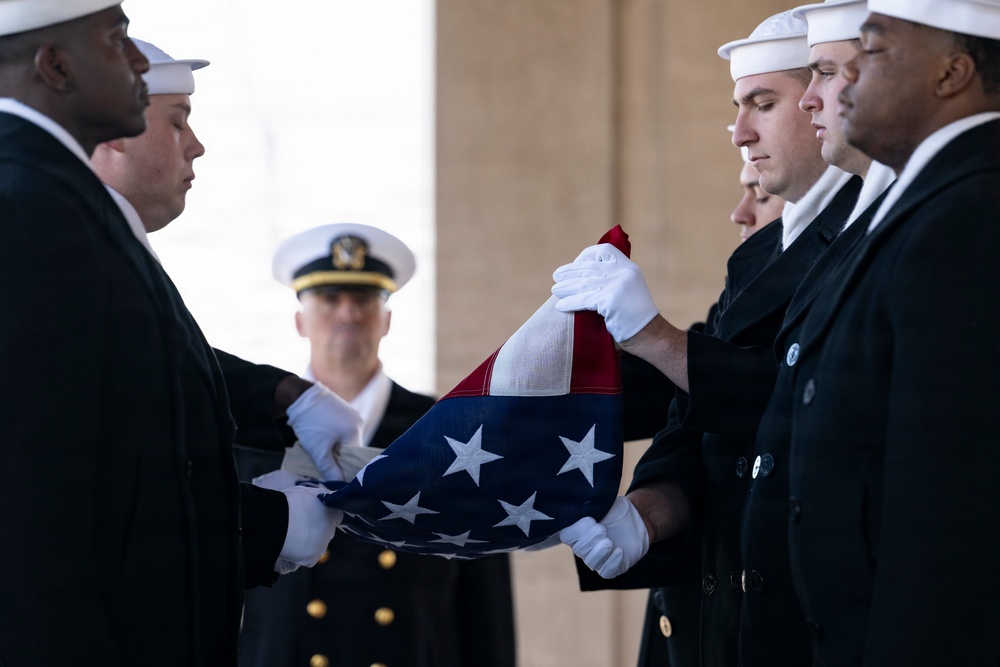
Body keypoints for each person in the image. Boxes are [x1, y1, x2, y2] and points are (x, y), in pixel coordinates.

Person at [0, 9, 347, 664]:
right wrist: (261, 525)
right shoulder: (29, 206)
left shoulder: (58, 201)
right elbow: (39, 511)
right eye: (114, 39)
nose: (134, 60)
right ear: (55, 66)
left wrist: (279, 397)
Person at [551, 8, 873, 666]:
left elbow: (806, 402)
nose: (740, 132)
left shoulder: (865, 236)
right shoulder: (757, 259)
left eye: (763, 102)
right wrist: (649, 507)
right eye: (740, 106)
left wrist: (652, 335)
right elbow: (691, 420)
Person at [784, 1, 1000, 663]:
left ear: (952, 72)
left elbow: (948, 517)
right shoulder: (929, 202)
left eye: (871, 53)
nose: (846, 83)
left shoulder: (968, 215)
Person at [236, 223, 517, 667]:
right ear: (299, 321)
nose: (348, 313)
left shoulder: (443, 427)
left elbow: (484, 599)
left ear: (386, 319)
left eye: (364, 300)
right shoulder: (258, 427)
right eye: (329, 299)